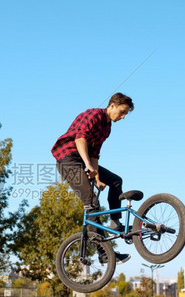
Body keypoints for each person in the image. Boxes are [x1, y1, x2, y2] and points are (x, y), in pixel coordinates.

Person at [51, 92, 134, 264]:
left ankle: (114, 222)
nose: (123, 117)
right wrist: (88, 165)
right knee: (93, 204)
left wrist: (96, 177)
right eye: (122, 112)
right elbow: (80, 139)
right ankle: (104, 254)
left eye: (125, 114)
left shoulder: (107, 128)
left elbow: (95, 154)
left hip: (84, 160)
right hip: (68, 160)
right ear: (112, 106)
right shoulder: (94, 114)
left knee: (116, 181)